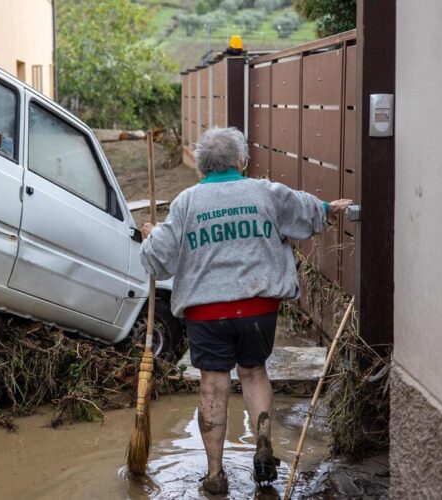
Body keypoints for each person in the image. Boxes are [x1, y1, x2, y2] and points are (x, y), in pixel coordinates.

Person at [140, 127, 352, 495]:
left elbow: (159, 261)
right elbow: (305, 210)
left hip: (206, 313)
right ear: (241, 162)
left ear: (202, 167)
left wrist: (149, 236)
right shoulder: (264, 192)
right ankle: (263, 445)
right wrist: (327, 208)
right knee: (253, 373)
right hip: (259, 307)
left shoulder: (186, 202)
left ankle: (214, 474)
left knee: (213, 384)